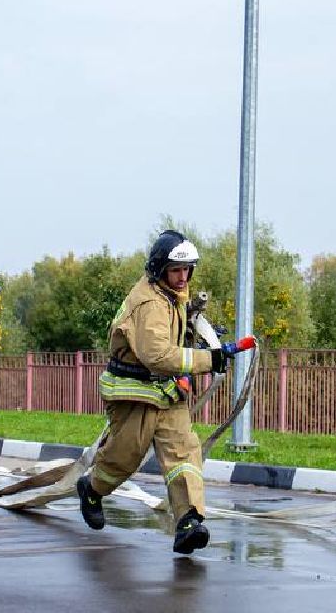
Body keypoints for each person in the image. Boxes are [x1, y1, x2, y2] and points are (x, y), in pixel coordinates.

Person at [76, 230, 256, 554]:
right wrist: (210, 358)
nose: (183, 277)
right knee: (125, 456)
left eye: (187, 270)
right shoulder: (148, 302)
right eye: (176, 270)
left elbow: (174, 331)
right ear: (160, 269)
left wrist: (200, 332)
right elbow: (156, 354)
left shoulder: (173, 294)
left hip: (168, 391)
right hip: (135, 392)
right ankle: (92, 488)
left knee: (185, 453)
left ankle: (188, 521)